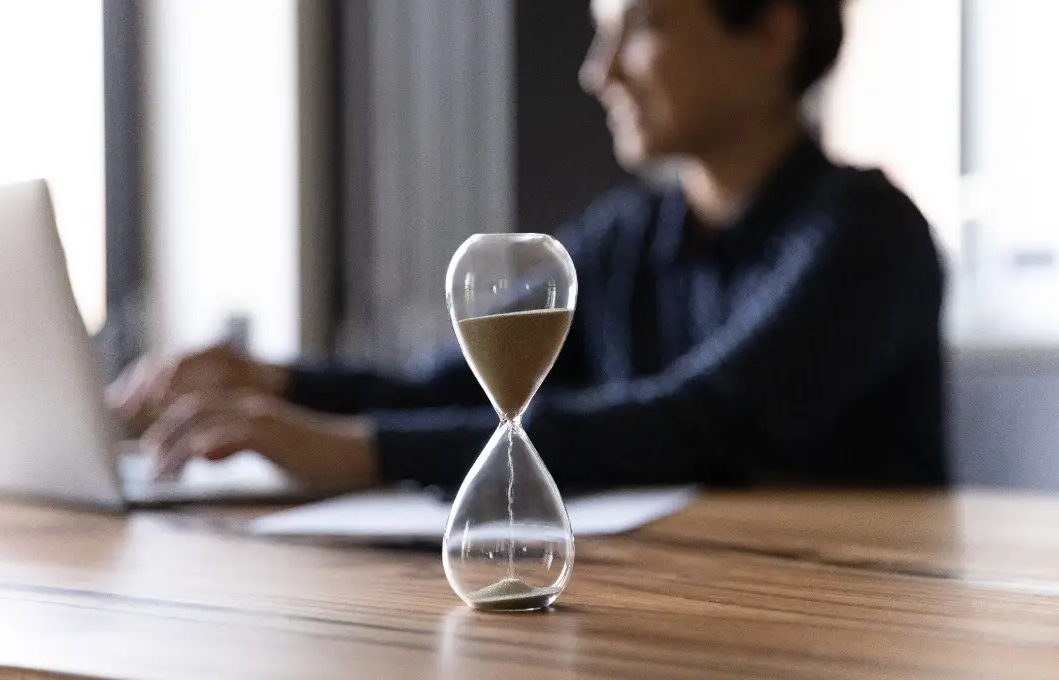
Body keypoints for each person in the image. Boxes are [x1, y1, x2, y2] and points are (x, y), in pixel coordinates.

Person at [108, 0, 947, 491]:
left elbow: (706, 421)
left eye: (641, 25)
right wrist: (269, 385)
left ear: (771, 31)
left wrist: (356, 452)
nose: (597, 70)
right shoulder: (627, 240)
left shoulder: (869, 234)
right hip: (660, 598)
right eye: (598, 29)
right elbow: (450, 382)